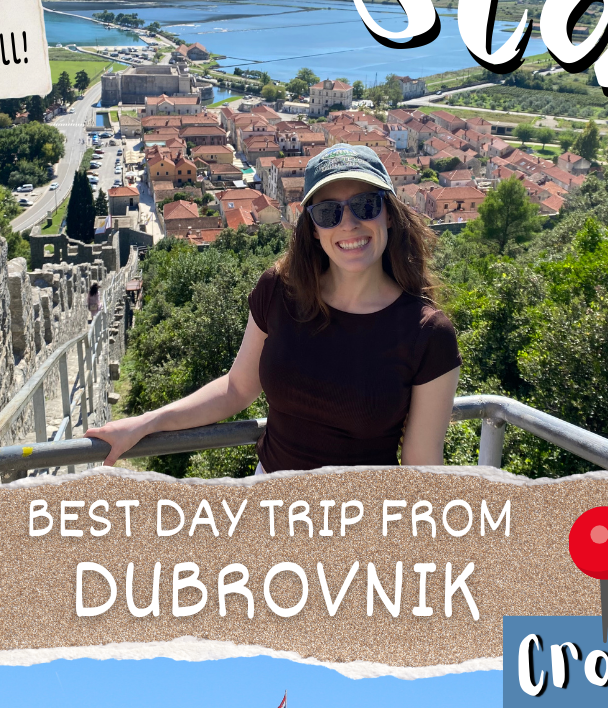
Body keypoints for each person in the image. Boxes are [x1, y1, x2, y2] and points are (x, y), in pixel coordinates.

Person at [87, 144, 461, 471]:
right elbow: (236, 389)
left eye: (365, 205)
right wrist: (146, 423)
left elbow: (422, 466)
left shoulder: (428, 334)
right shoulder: (280, 290)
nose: (348, 224)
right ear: (312, 227)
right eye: (328, 212)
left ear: (389, 214)